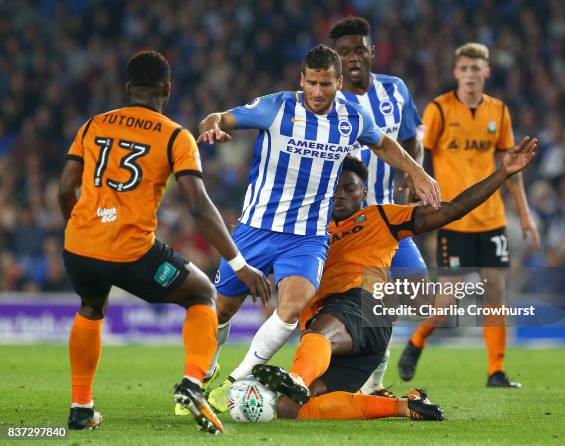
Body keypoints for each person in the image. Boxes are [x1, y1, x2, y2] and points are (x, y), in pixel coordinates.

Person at [198, 44, 441, 412]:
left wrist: (417, 172)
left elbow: (384, 144)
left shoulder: (352, 117)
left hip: (308, 235)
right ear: (302, 79)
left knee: (293, 305)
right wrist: (212, 126)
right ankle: (206, 371)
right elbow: (218, 117)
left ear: (339, 83)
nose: (317, 92)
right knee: (221, 311)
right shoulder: (277, 107)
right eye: (311, 82)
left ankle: (238, 379)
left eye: (325, 84)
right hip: (257, 227)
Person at [58, 50, 271, 434]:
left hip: (80, 245)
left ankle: (81, 408)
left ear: (127, 89)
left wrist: (79, 230)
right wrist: (239, 264)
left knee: (91, 306)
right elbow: (199, 207)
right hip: (132, 252)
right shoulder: (175, 135)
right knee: (201, 294)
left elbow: (63, 189)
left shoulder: (93, 125)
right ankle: (192, 383)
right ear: (167, 89)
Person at [253, 134, 538, 420]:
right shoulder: (304, 230)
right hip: (334, 337)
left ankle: (295, 377)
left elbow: (453, 210)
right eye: (335, 189)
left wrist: (503, 172)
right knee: (291, 408)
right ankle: (404, 406)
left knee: (319, 338)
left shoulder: (383, 218)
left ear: (363, 192)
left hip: (363, 308)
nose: (340, 195)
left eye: (349, 189)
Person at [399, 43, 541, 388]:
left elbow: (512, 168)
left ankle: (496, 370)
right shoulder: (439, 110)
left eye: (476, 69)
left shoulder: (499, 112)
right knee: (448, 298)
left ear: (486, 72)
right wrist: (414, 183)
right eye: (465, 68)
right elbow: (419, 149)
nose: (471, 75)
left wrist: (523, 215)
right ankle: (417, 341)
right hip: (455, 218)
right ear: (456, 73)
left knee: (496, 291)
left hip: (492, 218)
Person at [330, 15, 429, 397]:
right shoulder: (326, 99)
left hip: (385, 219)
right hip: (338, 220)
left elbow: (410, 139)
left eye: (358, 49)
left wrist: (413, 173)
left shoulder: (396, 90)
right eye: (344, 52)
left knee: (414, 287)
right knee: (306, 297)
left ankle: (368, 378)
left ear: (373, 51)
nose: (353, 57)